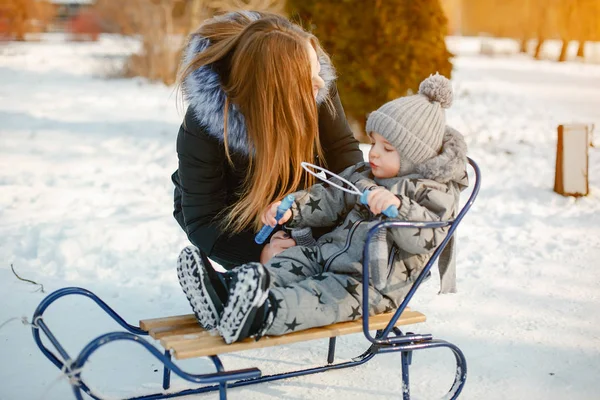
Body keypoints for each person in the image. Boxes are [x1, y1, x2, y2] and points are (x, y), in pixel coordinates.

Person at [177, 73, 469, 344]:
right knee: (290, 262)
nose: (374, 153)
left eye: (388, 148)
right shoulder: (367, 176)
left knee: (317, 297)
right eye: (373, 142)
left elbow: (430, 237)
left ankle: (259, 314)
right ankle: (224, 292)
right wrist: (294, 209)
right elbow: (331, 197)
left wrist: (398, 208)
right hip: (327, 253)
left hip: (368, 283)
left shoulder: (433, 194)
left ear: (414, 158)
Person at [171, 11, 363, 270]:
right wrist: (261, 254)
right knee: (272, 269)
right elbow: (203, 219)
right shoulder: (206, 125)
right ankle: (240, 288)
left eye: (317, 72)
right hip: (235, 210)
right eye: (309, 79)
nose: (321, 83)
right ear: (276, 89)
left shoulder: (317, 87)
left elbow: (344, 157)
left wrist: (364, 198)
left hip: (304, 198)